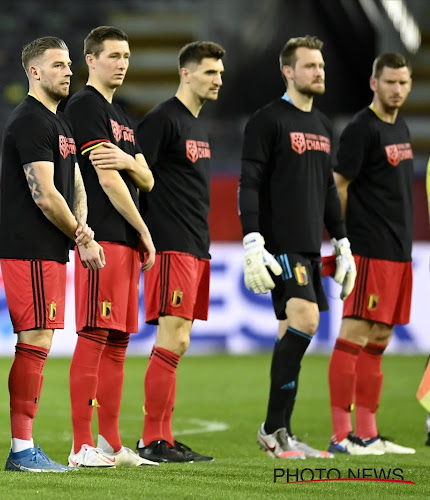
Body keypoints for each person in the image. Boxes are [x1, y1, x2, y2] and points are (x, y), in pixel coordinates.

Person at [238, 35, 355, 459]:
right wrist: (252, 239)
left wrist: (341, 240)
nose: (319, 72)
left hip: (309, 246)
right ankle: (272, 429)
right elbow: (249, 181)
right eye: (310, 66)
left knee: (293, 331)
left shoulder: (324, 126)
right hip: (280, 243)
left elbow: (327, 189)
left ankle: (281, 432)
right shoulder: (267, 120)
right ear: (288, 71)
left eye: (321, 65)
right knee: (305, 320)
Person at [0, 36, 105, 473]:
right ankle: (22, 449)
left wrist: (83, 225)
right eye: (58, 64)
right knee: (35, 341)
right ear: (34, 72)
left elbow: (73, 181)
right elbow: (44, 194)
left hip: (49, 249)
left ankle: (25, 446)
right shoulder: (29, 121)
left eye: (69, 64)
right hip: (30, 247)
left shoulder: (59, 124)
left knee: (39, 341)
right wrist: (82, 237)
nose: (68, 71)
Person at [63, 26, 157, 468]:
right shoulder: (84, 107)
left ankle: (112, 444)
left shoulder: (121, 115)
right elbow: (107, 177)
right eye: (114, 55)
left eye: (127, 55)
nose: (122, 63)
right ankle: (82, 445)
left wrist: (129, 161)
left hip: (122, 242)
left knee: (118, 341)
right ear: (91, 60)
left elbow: (148, 177)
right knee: (95, 334)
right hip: (100, 236)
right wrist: (143, 228)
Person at [134, 41, 225, 463]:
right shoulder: (162, 121)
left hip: (195, 246)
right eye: (210, 72)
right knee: (173, 336)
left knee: (180, 341)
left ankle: (164, 437)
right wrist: (142, 235)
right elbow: (136, 178)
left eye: (220, 73)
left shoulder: (198, 126)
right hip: (170, 244)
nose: (218, 80)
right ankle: (152, 440)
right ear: (185, 73)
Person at [326, 53, 415, 455]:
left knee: (380, 337)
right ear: (373, 83)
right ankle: (342, 434)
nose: (397, 89)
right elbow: (338, 185)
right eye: (390, 82)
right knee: (355, 335)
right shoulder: (361, 129)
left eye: (403, 82)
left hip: (398, 252)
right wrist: (343, 240)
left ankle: (368, 432)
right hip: (368, 249)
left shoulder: (403, 127)